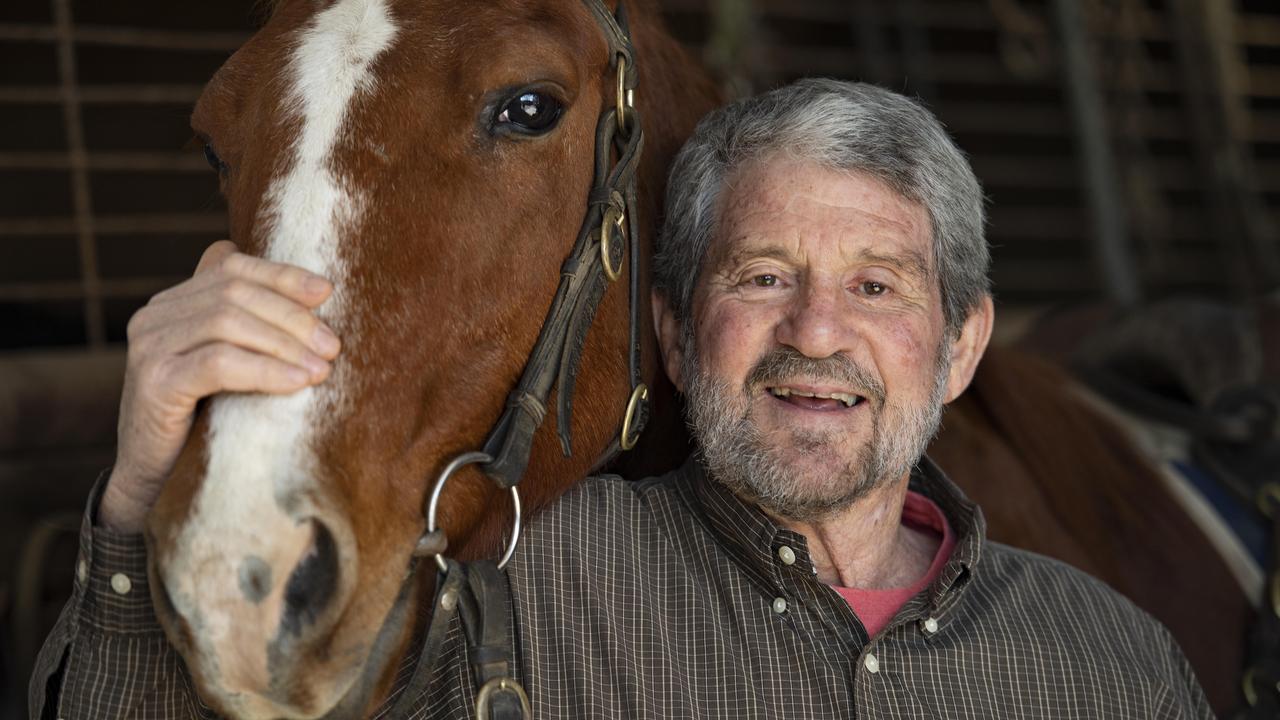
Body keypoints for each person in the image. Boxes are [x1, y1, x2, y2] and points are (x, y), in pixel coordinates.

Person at [32, 79, 1210, 718]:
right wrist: (138, 503)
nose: (815, 334)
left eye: (874, 286)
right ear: (671, 331)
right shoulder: (497, 593)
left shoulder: (1112, 665)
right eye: (760, 278)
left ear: (958, 346)